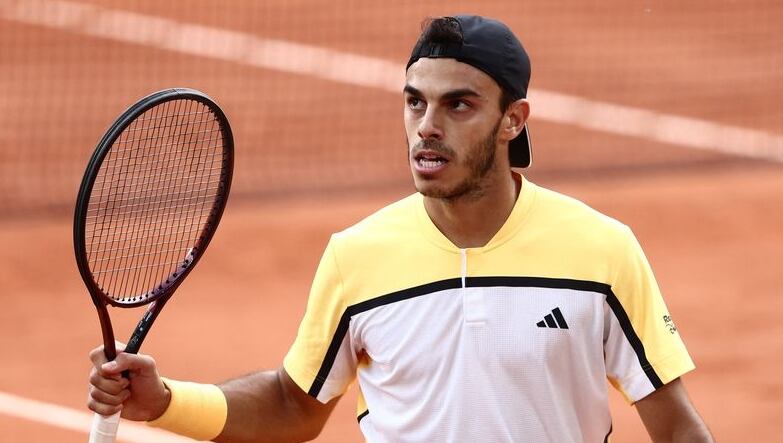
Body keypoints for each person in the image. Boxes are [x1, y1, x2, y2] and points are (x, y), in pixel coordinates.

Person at [88, 15, 714, 442]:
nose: (427, 126)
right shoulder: (357, 255)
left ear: (513, 120)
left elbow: (677, 427)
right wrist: (165, 402)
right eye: (415, 101)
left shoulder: (601, 250)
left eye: (458, 104)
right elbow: (292, 403)